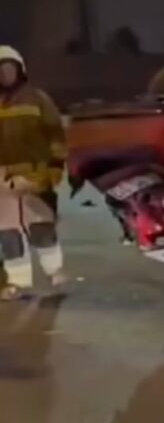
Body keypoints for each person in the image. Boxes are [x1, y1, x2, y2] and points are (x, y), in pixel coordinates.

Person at [0, 45, 67, 300]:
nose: (5, 74)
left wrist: (55, 166)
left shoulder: (37, 99)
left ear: (19, 70)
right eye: (0, 70)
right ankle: (18, 281)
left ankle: (54, 270)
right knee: (8, 232)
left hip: (35, 174)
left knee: (41, 226)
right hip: (2, 180)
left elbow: (55, 133)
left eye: (9, 69)